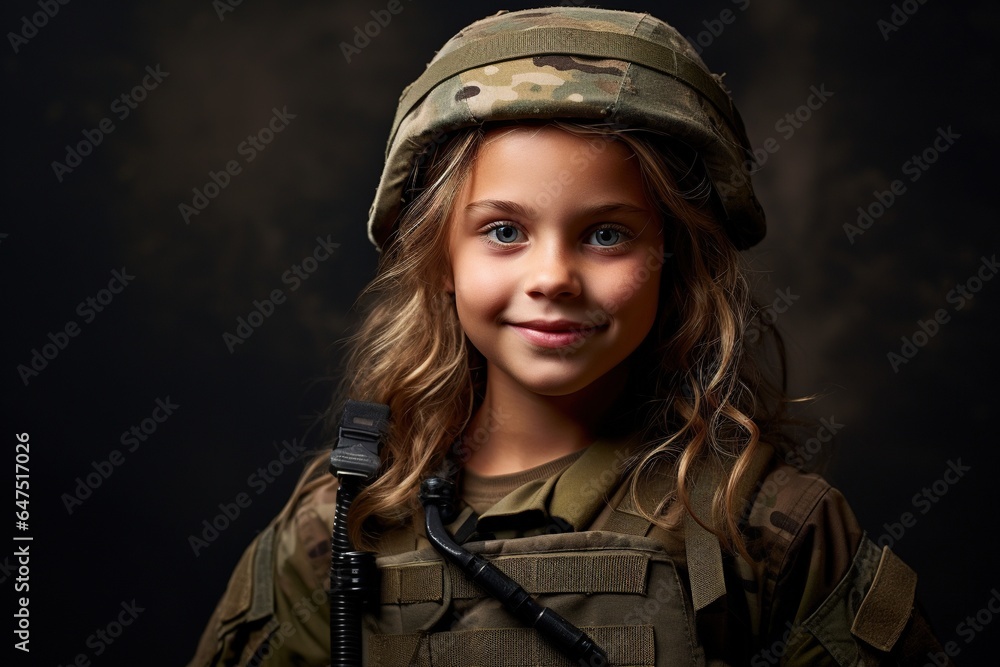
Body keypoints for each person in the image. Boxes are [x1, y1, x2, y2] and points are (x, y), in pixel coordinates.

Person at [189, 7, 952, 666]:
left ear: (673, 260)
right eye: (503, 230)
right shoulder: (342, 523)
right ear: (441, 258)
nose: (553, 275)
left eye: (607, 233)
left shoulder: (770, 529)